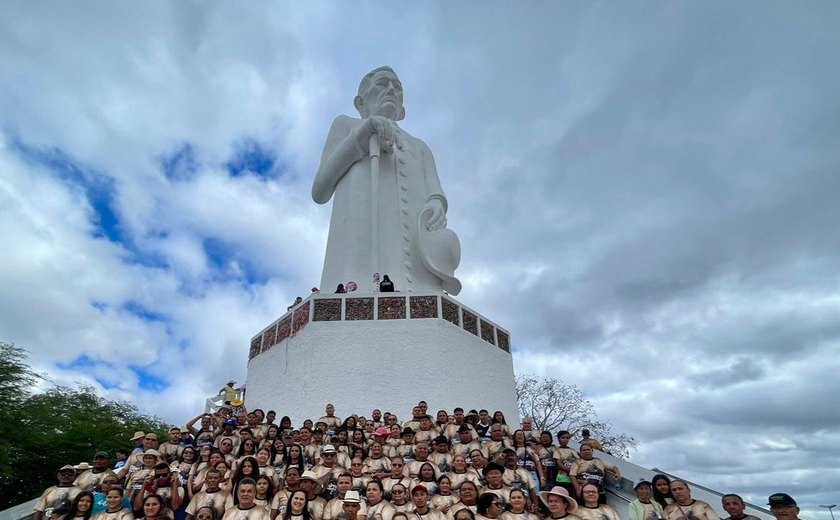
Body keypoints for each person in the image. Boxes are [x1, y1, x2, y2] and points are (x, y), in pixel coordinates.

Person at [312, 66, 462, 296]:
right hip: (361, 238)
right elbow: (320, 191)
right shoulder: (346, 125)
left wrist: (436, 203)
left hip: (418, 244)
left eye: (398, 88)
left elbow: (435, 191)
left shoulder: (420, 147)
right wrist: (363, 135)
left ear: (403, 109)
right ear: (360, 102)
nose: (392, 89)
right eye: (382, 84)